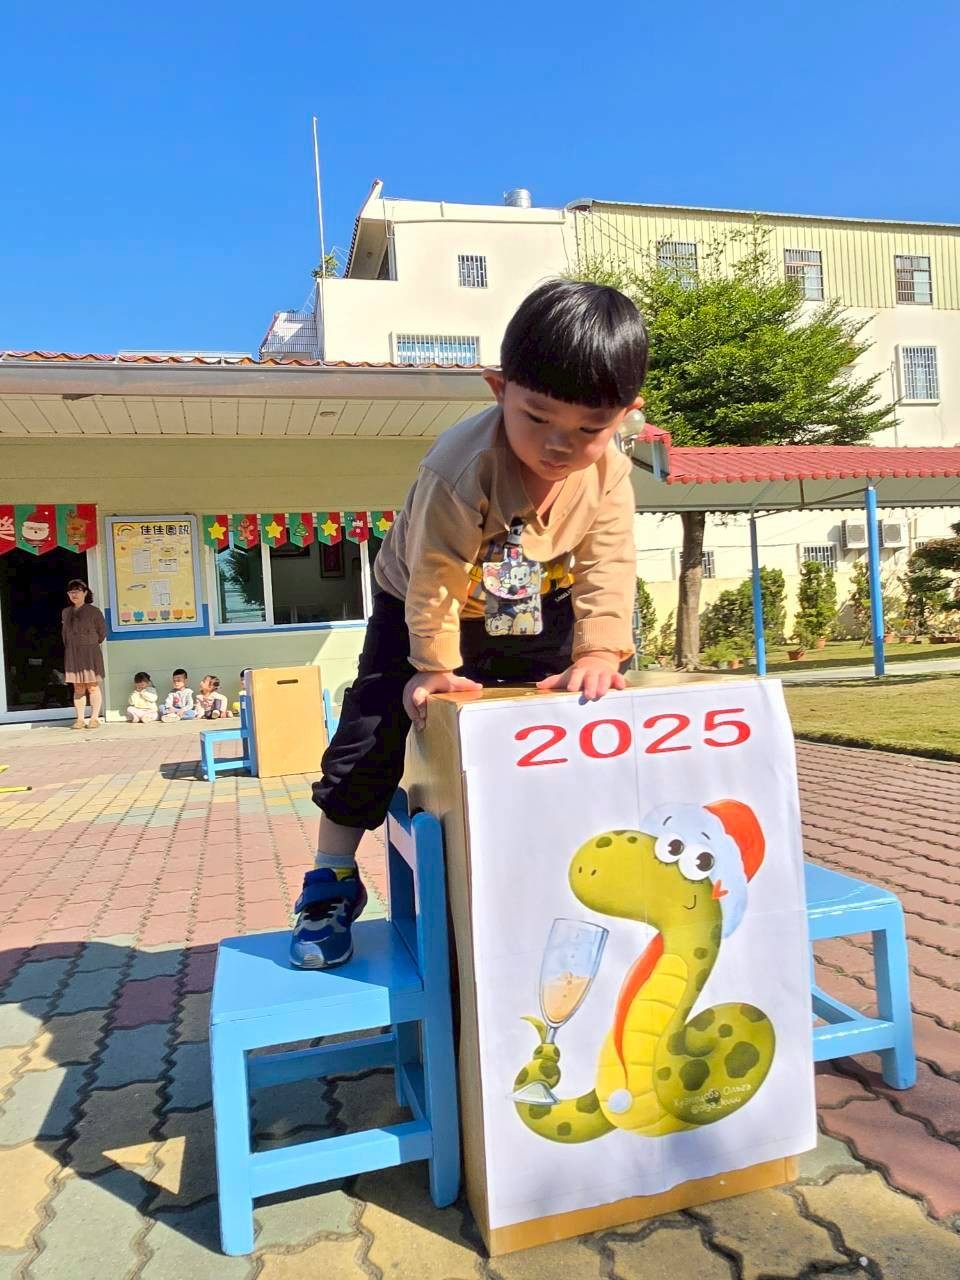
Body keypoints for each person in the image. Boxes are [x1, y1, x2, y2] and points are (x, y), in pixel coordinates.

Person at [290, 279, 649, 969]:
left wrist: (600, 652)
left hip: (533, 596)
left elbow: (608, 563)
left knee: (573, 702)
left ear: (625, 417)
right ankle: (330, 880)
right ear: (498, 390)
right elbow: (434, 575)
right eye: (537, 417)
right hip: (422, 601)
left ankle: (556, 858)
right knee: (376, 725)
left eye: (589, 428)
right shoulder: (462, 465)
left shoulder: (609, 474)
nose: (559, 445)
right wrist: (431, 666)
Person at [62, 580, 106, 730]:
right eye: (71, 592)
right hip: (72, 652)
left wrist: (89, 643)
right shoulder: (66, 612)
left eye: (77, 591)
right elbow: (64, 634)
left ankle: (94, 718)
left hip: (90, 652)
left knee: (92, 686)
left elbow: (102, 633)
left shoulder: (94, 611)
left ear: (85, 593)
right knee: (78, 687)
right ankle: (80, 719)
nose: (74, 595)